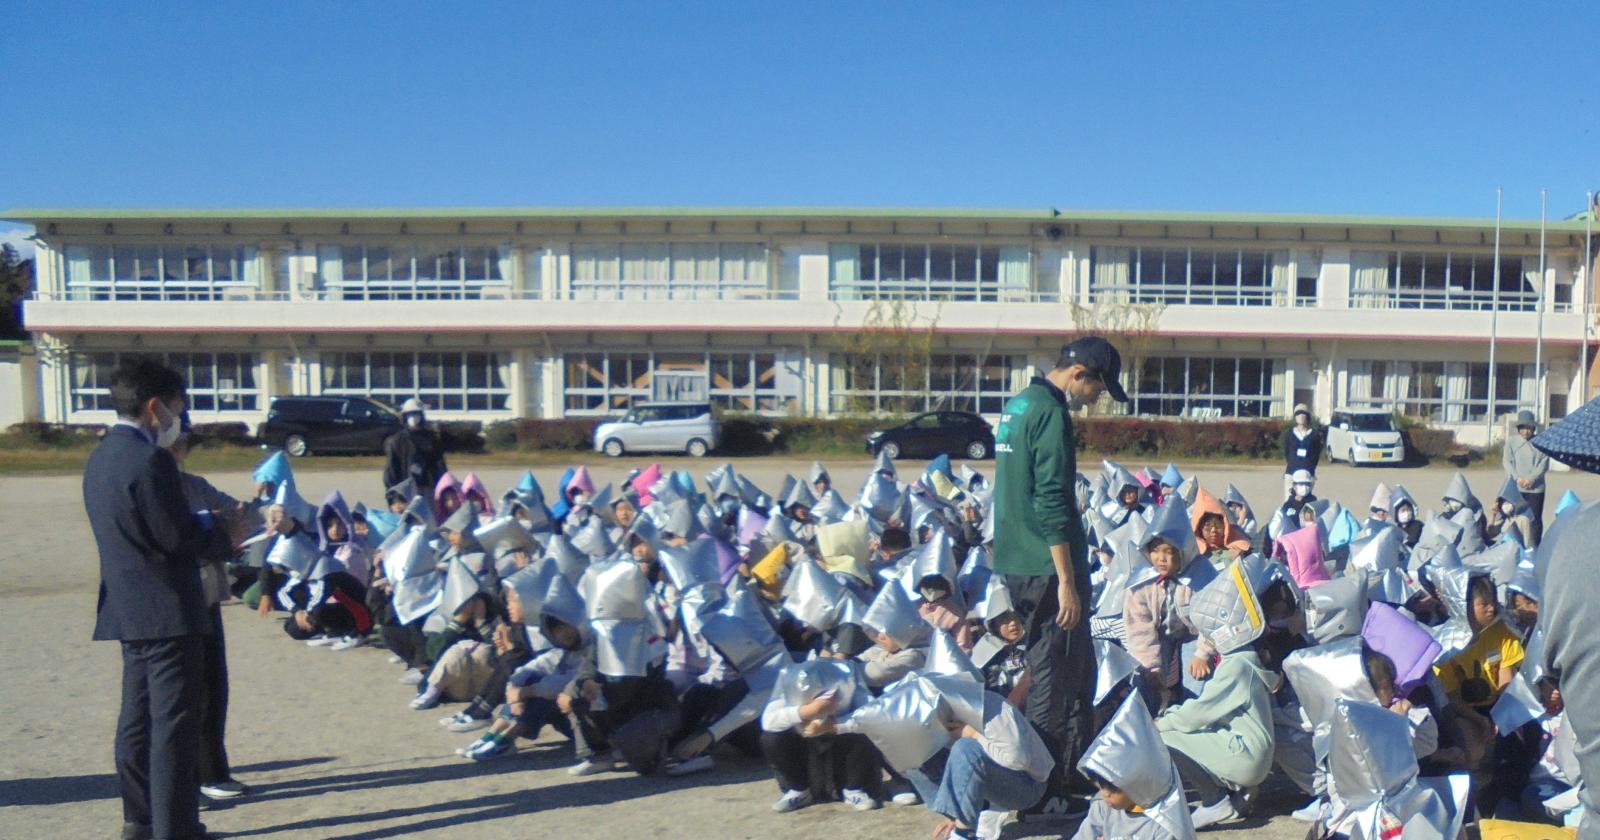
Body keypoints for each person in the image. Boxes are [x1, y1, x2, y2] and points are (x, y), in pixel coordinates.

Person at [84, 357, 251, 840]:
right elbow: (176, 536)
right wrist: (226, 533)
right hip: (168, 609)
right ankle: (176, 829)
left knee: (136, 722)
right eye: (177, 408)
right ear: (156, 407)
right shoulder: (150, 459)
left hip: (128, 606)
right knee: (174, 729)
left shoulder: (102, 456)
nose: (178, 419)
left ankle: (139, 821)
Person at [992, 336, 1125, 810]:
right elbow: (1051, 498)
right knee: (1056, 677)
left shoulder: (1018, 405)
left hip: (1018, 558)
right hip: (1046, 564)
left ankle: (1065, 775)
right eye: (1098, 388)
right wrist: (1067, 580)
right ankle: (1044, 789)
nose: (1096, 398)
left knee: (1072, 667)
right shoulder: (1050, 413)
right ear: (1079, 373)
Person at [168, 414, 252, 803]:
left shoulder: (194, 484)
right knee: (188, 691)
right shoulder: (156, 486)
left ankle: (212, 771)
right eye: (175, 440)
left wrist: (249, 513)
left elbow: (237, 513)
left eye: (184, 442)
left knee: (215, 685)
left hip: (207, 594)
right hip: (174, 600)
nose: (179, 448)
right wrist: (211, 525)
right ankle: (195, 777)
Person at [382, 397, 448, 500]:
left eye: (416, 414)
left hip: (427, 489)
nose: (413, 417)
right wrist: (394, 496)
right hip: (405, 490)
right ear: (404, 417)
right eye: (410, 414)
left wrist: (443, 489)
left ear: (421, 416)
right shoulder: (396, 441)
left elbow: (440, 467)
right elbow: (391, 472)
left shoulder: (431, 439)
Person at [1502, 410, 1550, 545]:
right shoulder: (1512, 441)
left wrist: (1531, 479)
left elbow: (1544, 463)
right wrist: (1517, 478)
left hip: (1536, 488)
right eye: (1523, 428)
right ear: (1518, 428)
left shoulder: (1541, 441)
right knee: (1513, 516)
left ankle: (1534, 546)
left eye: (1529, 428)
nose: (1526, 431)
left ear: (1533, 429)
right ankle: (1514, 545)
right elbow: (1507, 461)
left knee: (1535, 519)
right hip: (1516, 487)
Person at [1281, 404, 1323, 496]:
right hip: (1291, 471)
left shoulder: (1314, 435)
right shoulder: (1289, 434)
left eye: (1303, 414)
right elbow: (1287, 452)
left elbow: (1316, 454)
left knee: (1305, 499)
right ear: (1295, 417)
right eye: (1298, 414)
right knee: (1289, 498)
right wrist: (1292, 462)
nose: (1300, 417)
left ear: (1307, 417)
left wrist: (1311, 469)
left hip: (1307, 472)